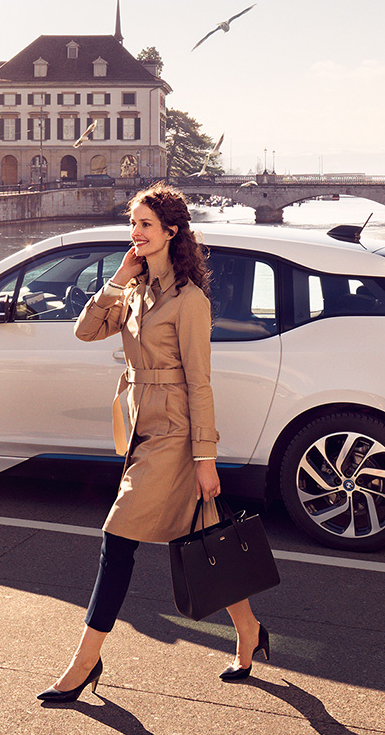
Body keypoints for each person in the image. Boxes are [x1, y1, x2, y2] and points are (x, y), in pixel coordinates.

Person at [40, 182, 267, 704]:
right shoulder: (137, 290)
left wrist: (205, 458)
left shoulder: (191, 301)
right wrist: (118, 279)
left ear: (171, 231)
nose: (135, 233)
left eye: (145, 225)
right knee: (204, 533)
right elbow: (85, 331)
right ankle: (249, 629)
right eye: (132, 224)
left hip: (174, 433)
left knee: (117, 539)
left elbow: (200, 382)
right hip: (141, 424)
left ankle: (83, 662)